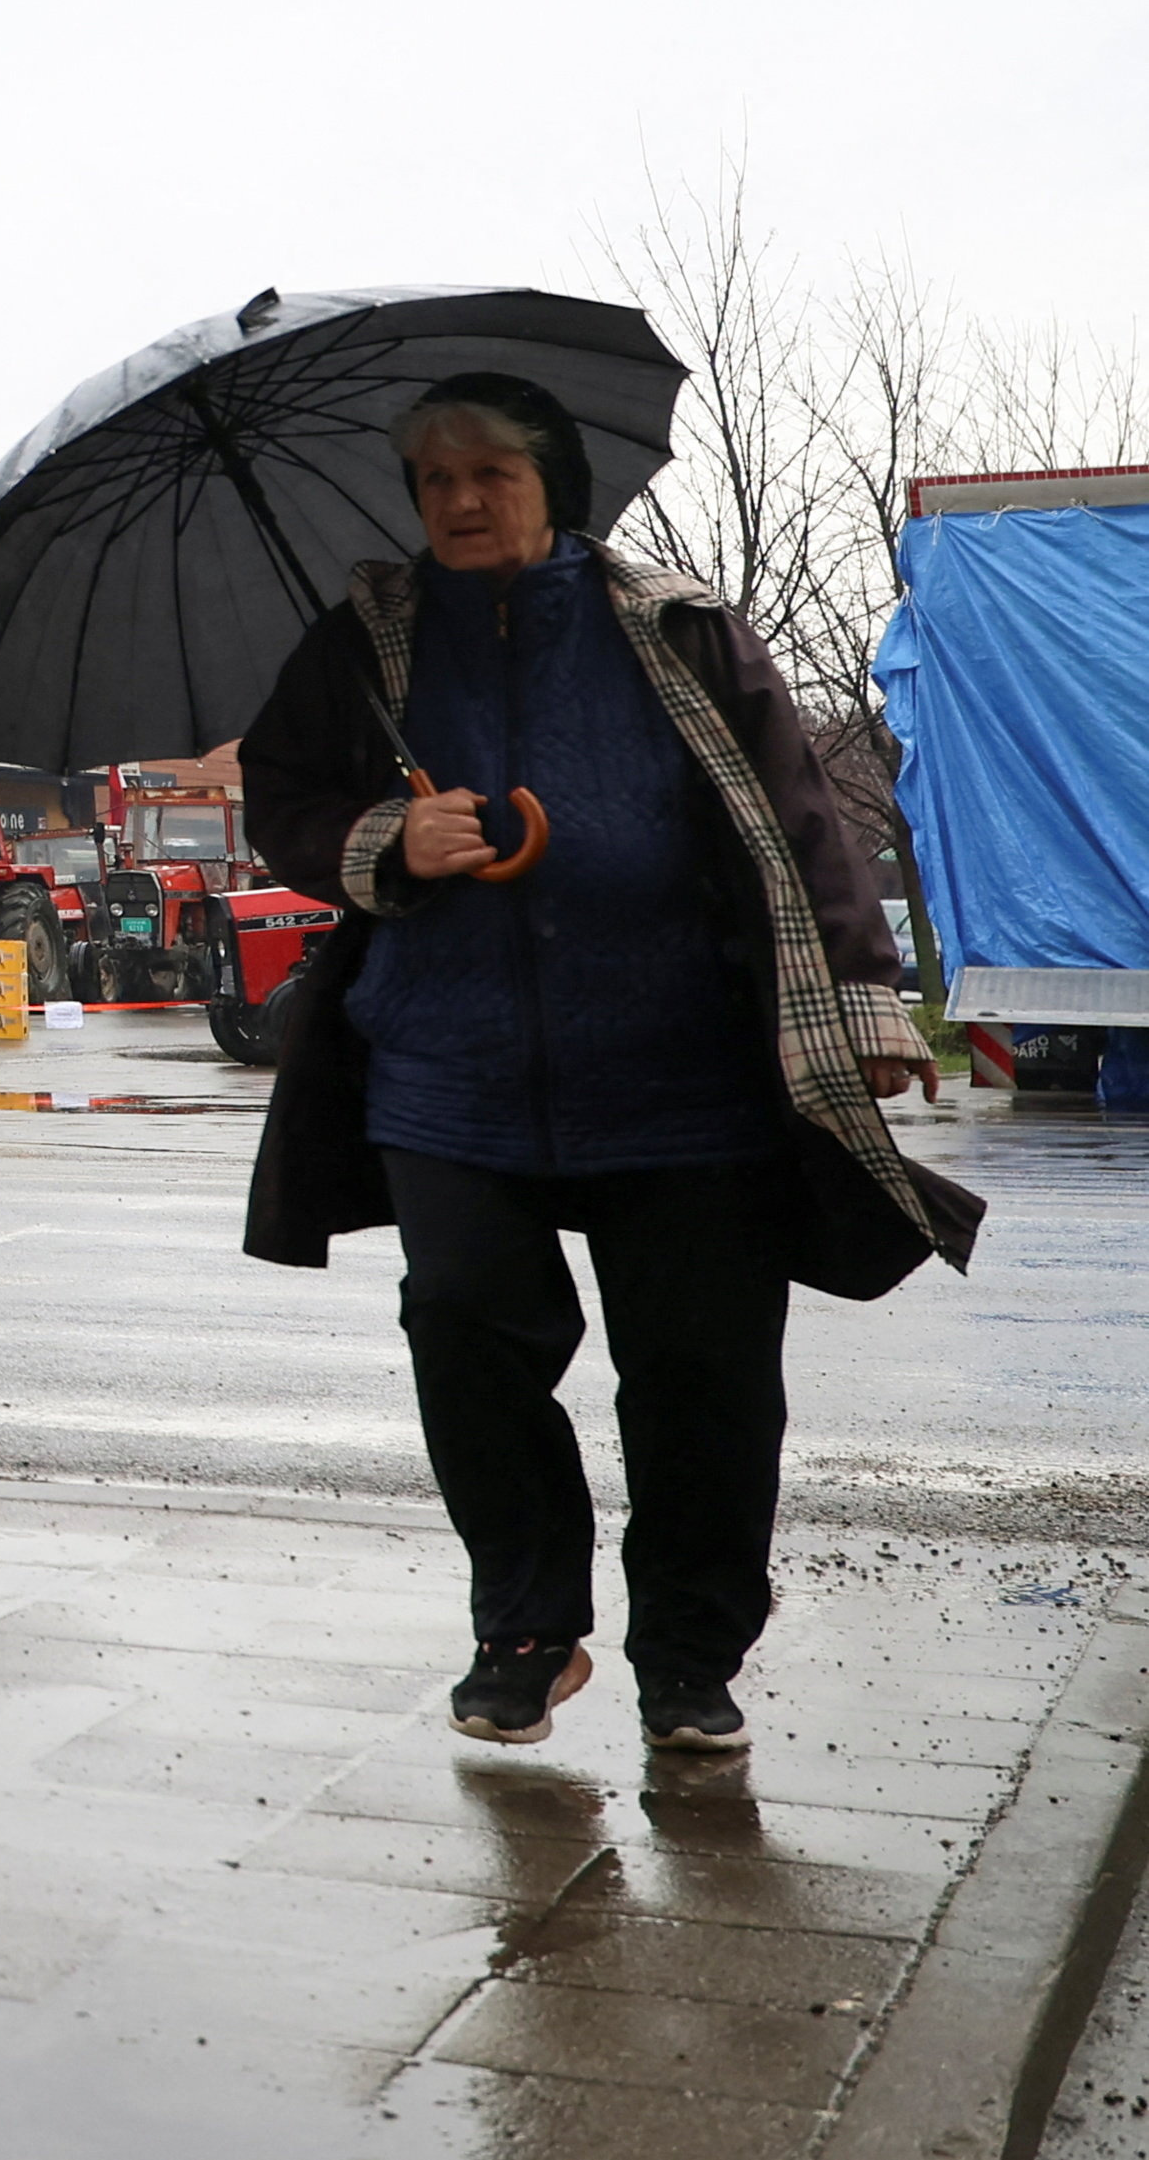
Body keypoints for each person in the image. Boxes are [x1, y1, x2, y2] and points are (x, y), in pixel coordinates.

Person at [240, 374, 977, 1755]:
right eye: (433, 480)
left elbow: (797, 818)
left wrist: (864, 1000)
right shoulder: (362, 645)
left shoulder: (679, 627)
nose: (459, 500)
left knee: (701, 1373)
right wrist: (386, 842)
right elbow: (280, 800)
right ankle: (525, 1623)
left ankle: (691, 1653)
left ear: (553, 481)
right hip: (449, 1067)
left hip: (681, 1068)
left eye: (489, 474)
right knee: (465, 1329)